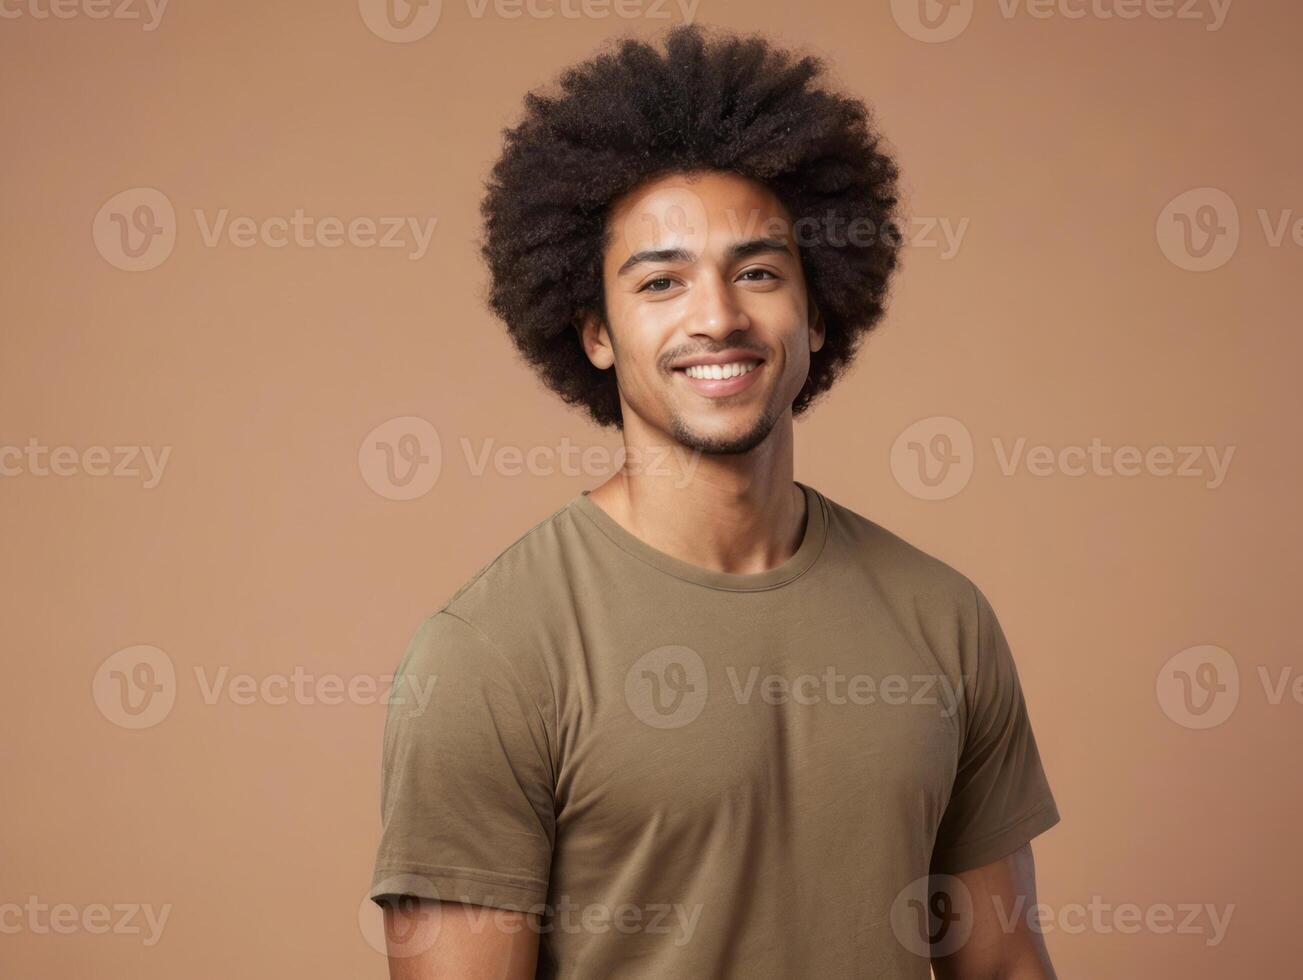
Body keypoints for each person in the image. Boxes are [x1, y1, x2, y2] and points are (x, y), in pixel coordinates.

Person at [368, 24, 1060, 979]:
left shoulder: (943, 618)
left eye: (758, 272)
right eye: (660, 281)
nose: (718, 316)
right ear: (595, 333)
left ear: (817, 313)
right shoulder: (489, 653)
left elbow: (1003, 963)